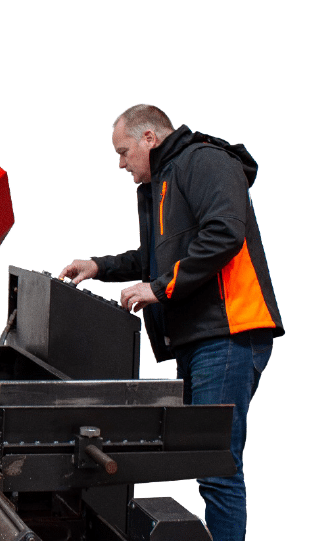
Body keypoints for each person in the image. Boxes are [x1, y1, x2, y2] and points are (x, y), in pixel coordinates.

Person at [59, 105, 283, 541]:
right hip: (204, 338)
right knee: (207, 461)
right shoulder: (164, 181)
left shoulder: (206, 161)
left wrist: (159, 289)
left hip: (230, 334)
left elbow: (223, 234)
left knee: (217, 464)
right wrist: (99, 266)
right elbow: (158, 258)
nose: (120, 163)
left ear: (149, 138)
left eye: (124, 152)